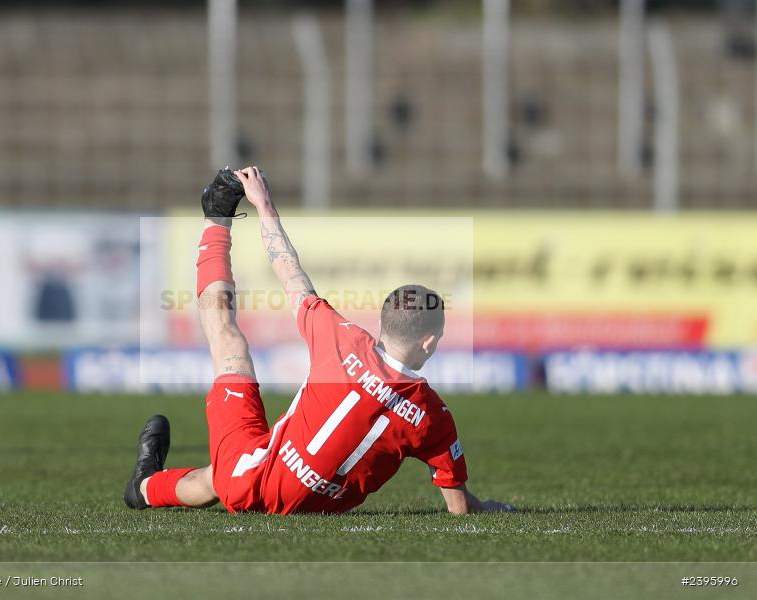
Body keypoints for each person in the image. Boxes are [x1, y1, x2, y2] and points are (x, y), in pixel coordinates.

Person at [123, 166, 513, 515]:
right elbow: (459, 507)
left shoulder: (342, 339)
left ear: (383, 322)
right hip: (288, 501)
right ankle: (143, 488)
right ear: (428, 342)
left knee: (228, 343)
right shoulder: (432, 415)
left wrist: (263, 204)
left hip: (246, 480)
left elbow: (289, 270)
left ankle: (216, 220)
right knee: (222, 475)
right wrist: (494, 508)